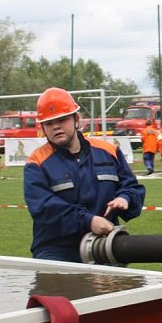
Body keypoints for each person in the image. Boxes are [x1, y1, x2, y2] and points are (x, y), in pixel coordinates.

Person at [23, 87, 145, 262]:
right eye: (49, 123)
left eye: (62, 119)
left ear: (76, 119)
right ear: (42, 127)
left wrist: (126, 198)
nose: (56, 126)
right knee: (53, 288)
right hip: (57, 250)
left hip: (104, 245)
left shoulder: (108, 152)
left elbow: (132, 187)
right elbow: (45, 209)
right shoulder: (37, 163)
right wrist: (88, 221)